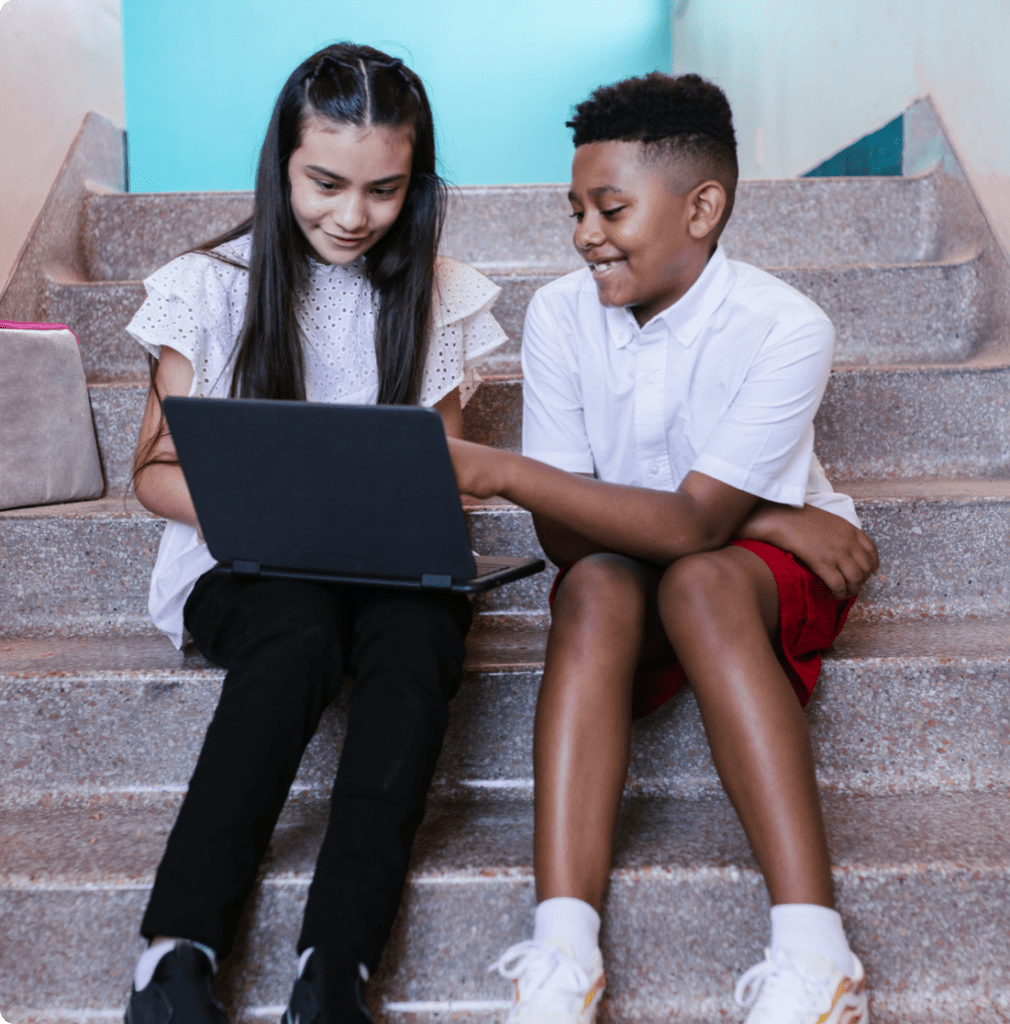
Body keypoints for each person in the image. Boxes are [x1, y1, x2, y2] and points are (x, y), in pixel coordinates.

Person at [448, 73, 878, 1024]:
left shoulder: (786, 326)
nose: (584, 234)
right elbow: (567, 536)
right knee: (594, 589)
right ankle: (563, 950)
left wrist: (504, 470)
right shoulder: (562, 315)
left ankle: (818, 951)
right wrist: (761, 509)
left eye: (610, 209)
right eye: (575, 210)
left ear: (702, 207)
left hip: (760, 581)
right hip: (649, 556)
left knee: (700, 583)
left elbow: (687, 534)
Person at [124, 43, 507, 1024]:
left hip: (386, 568)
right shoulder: (206, 286)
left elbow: (447, 475)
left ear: (415, 182)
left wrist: (392, 516)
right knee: (297, 630)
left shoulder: (442, 289)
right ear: (281, 164)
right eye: (324, 183)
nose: (351, 214)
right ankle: (175, 955)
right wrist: (266, 511)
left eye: (384, 189)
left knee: (418, 638)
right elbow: (155, 474)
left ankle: (337, 966)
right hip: (239, 564)